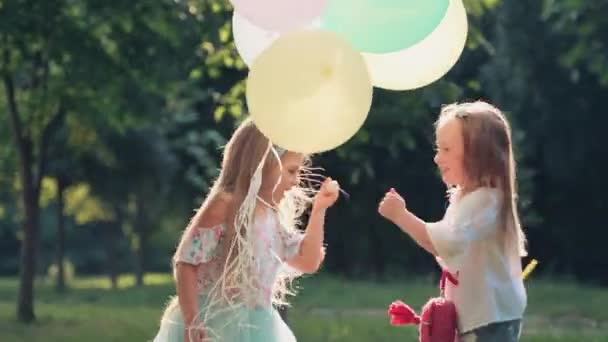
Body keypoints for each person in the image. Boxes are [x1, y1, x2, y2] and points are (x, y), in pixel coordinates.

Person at [153, 118, 339, 342]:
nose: (295, 181)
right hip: (214, 322)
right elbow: (187, 262)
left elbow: (307, 261)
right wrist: (192, 319)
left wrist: (319, 210)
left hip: (260, 325)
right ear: (264, 164)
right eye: (291, 171)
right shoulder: (225, 205)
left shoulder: (273, 217)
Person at [379, 101, 528, 341]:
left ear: (478, 155)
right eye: (438, 149)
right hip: (485, 318)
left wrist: (401, 216)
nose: (437, 158)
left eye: (447, 149)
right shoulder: (468, 198)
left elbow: (445, 243)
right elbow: (447, 247)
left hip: (488, 322)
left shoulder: (484, 200)